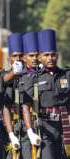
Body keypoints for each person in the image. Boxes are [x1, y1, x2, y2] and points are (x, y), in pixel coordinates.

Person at [21, 29, 68, 159]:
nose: (50, 58)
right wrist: (30, 131)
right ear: (40, 57)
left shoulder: (66, 75)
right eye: (46, 55)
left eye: (53, 55)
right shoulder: (33, 78)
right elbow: (26, 106)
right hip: (45, 127)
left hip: (64, 127)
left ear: (57, 56)